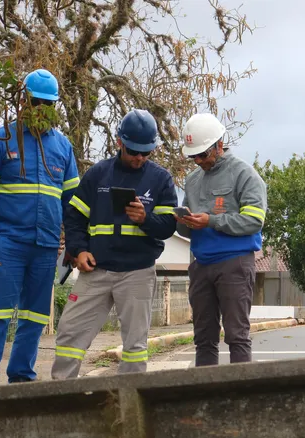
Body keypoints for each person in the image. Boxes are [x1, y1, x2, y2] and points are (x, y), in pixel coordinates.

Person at [0, 68, 80, 386]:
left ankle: (21, 376)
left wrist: (71, 243)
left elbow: (73, 201)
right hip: (8, 243)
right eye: (35, 101)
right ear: (23, 100)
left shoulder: (63, 146)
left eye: (48, 103)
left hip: (46, 247)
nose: (41, 108)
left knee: (35, 318)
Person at [51, 109, 178, 378]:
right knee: (70, 332)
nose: (139, 158)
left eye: (146, 152)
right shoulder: (98, 174)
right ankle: (61, 395)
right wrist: (78, 249)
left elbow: (168, 227)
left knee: (135, 345)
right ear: (120, 142)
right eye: (134, 151)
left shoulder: (161, 179)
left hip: (137, 272)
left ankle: (130, 403)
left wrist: (145, 219)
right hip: (95, 270)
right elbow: (74, 217)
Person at [175, 113, 267, 366]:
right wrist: (183, 223)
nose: (199, 160)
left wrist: (211, 221)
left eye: (203, 154)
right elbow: (189, 226)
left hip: (234, 264)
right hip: (201, 264)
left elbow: (254, 221)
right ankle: (205, 396)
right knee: (203, 337)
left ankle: (240, 397)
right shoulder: (192, 180)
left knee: (237, 335)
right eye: (193, 156)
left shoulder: (245, 175)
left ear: (219, 144)